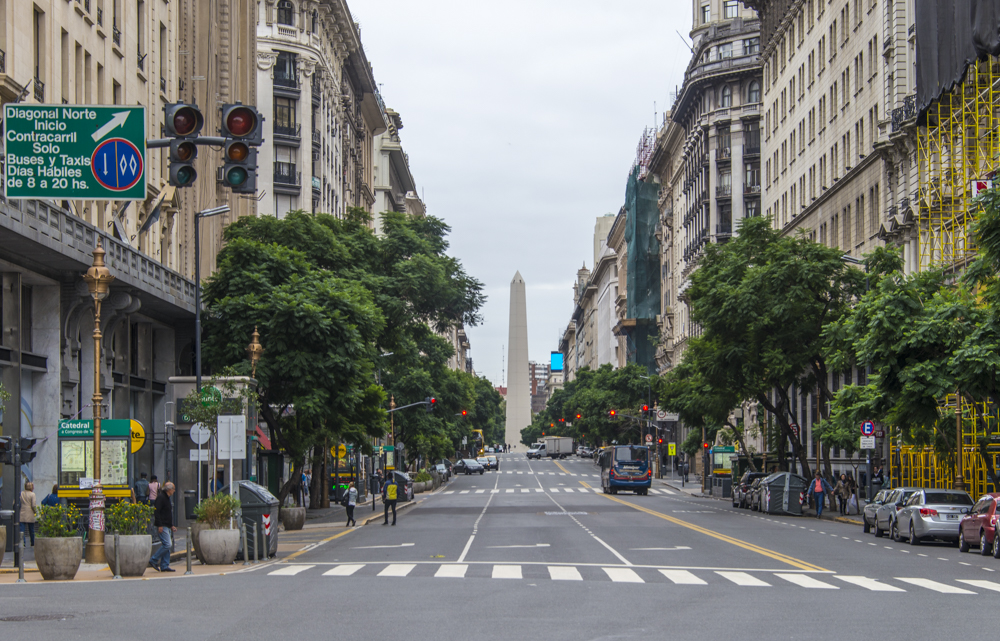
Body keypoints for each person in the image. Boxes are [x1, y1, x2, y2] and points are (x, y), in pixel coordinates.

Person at [149, 482, 177, 572]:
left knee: (167, 545)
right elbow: (157, 512)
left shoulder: (167, 498)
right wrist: (160, 525)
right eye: (173, 489)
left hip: (166, 525)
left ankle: (164, 565)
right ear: (169, 489)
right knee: (167, 544)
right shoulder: (161, 497)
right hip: (163, 525)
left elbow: (168, 513)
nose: (174, 491)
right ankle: (154, 559)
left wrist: (171, 525)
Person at [19, 481, 37, 547]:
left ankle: (23, 543)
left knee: (22, 530)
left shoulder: (21, 493)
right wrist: (35, 512)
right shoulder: (32, 494)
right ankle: (32, 542)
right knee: (31, 529)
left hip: (22, 512)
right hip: (30, 513)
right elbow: (33, 505)